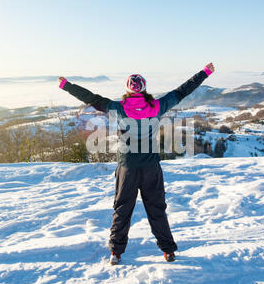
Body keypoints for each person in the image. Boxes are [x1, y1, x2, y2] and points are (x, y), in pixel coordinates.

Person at [58, 63, 215, 264]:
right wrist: (205, 72)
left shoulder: (118, 108)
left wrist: (66, 85)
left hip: (127, 167)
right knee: (156, 208)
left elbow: (91, 98)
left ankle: (115, 252)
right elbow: (183, 90)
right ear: (144, 89)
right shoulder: (157, 106)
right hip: (151, 167)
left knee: (122, 209)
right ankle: (168, 251)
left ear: (127, 90)